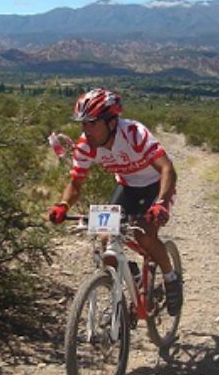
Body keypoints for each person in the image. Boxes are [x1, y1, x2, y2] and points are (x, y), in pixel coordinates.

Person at [47, 88, 182, 316]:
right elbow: (75, 184)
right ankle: (132, 276)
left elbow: (168, 169)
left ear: (111, 122)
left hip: (155, 185)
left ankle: (170, 277)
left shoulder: (133, 133)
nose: (87, 130)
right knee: (105, 238)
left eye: (92, 123)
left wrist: (160, 203)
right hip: (127, 187)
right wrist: (63, 205)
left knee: (144, 235)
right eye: (83, 124)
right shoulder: (85, 146)